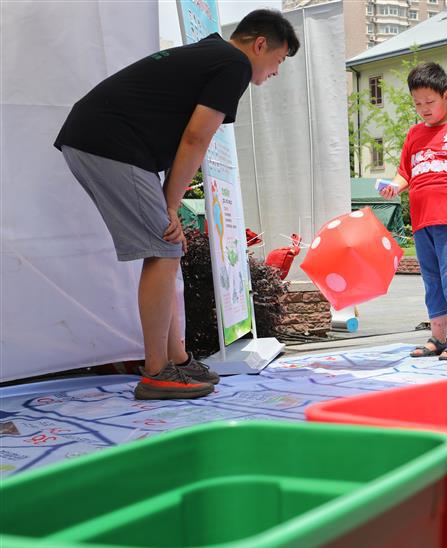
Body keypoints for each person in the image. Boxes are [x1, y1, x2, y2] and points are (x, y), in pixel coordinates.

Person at [54, 10, 299, 399]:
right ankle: (156, 373)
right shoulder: (234, 64)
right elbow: (196, 139)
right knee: (163, 248)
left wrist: (170, 205)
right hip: (109, 142)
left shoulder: (213, 53)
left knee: (169, 249)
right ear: (260, 45)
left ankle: (177, 360)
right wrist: (172, 206)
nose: (276, 71)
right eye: (280, 60)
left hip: (98, 137)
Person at [378, 62, 447, 360]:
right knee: (431, 278)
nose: (424, 108)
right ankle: (438, 337)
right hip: (422, 220)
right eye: (417, 103)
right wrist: (394, 187)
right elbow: (406, 173)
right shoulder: (414, 135)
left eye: (430, 102)